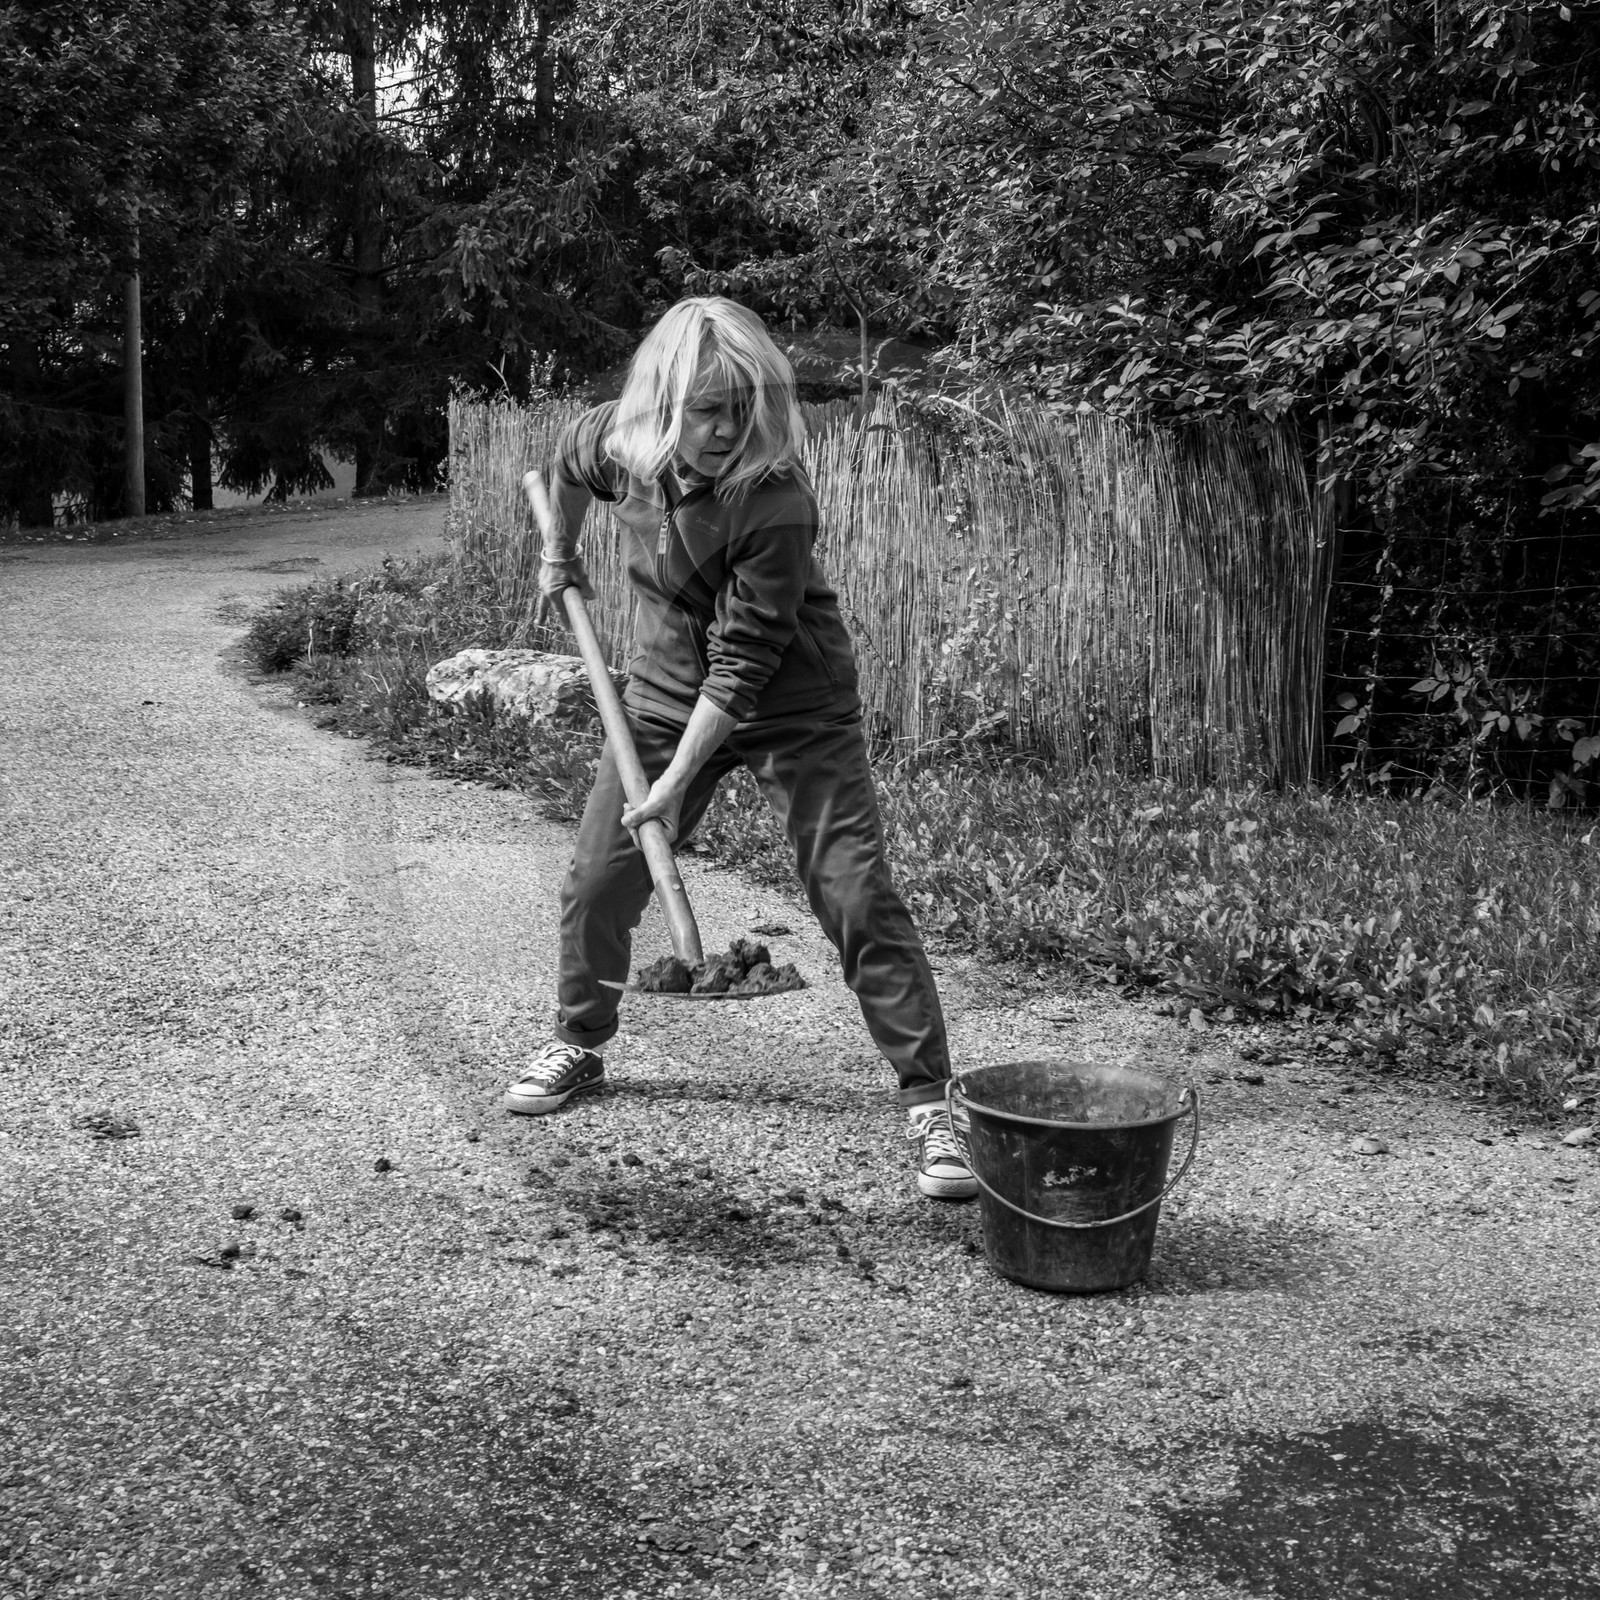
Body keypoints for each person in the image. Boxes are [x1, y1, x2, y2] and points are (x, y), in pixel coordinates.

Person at [502, 297, 975, 1202]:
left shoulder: (774, 496)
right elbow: (560, 462)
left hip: (792, 704)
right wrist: (557, 550)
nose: (725, 429)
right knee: (599, 878)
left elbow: (745, 661)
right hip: (661, 692)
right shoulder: (619, 442)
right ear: (662, 403)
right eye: (706, 409)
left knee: (854, 891)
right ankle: (580, 1039)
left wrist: (674, 786)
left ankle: (929, 1096)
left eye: (743, 406)